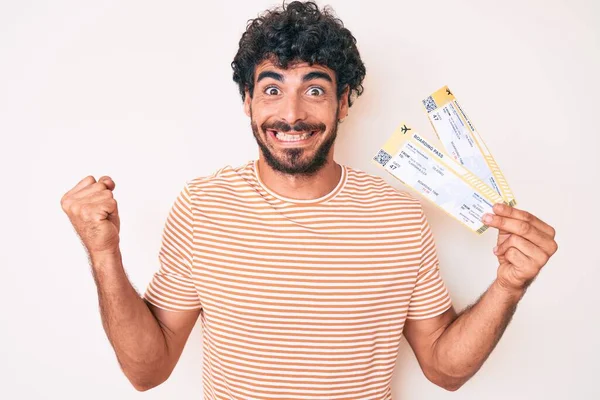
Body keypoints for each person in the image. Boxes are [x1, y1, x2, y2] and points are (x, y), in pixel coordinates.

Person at [60, 1, 558, 398]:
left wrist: (508, 286)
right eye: (272, 88)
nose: (291, 114)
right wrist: (104, 253)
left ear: (343, 102)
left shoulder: (398, 216)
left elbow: (444, 371)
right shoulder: (202, 207)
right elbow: (148, 372)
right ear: (248, 103)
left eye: (314, 90)